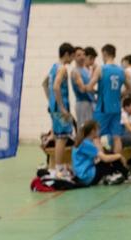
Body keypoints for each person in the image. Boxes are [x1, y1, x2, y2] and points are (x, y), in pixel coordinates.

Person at [88, 44, 131, 158]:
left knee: (96, 137)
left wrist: (96, 92)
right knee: (116, 137)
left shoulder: (101, 68)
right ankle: (117, 164)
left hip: (103, 108)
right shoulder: (121, 71)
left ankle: (103, 163)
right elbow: (130, 89)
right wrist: (120, 95)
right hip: (116, 108)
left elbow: (89, 87)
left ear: (104, 54)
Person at [42, 42, 75, 179]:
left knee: (57, 137)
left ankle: (56, 167)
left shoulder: (53, 68)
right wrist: (61, 107)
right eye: (72, 56)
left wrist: (51, 101)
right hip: (61, 108)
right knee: (62, 138)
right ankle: (59, 169)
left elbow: (44, 84)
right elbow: (56, 87)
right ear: (66, 54)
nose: (72, 59)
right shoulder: (62, 69)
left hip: (53, 107)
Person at [71, 120, 130, 186]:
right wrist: (119, 156)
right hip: (87, 177)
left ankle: (117, 174)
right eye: (98, 129)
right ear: (93, 131)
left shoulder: (83, 141)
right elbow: (105, 159)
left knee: (109, 157)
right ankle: (126, 175)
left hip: (83, 177)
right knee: (111, 157)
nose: (99, 131)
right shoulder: (86, 144)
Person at [70, 47, 94, 128]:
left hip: (90, 102)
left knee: (91, 129)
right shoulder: (75, 71)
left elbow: (90, 88)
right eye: (79, 55)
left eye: (83, 54)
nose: (82, 57)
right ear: (74, 57)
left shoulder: (86, 70)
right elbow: (82, 89)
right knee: (83, 129)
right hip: (82, 103)